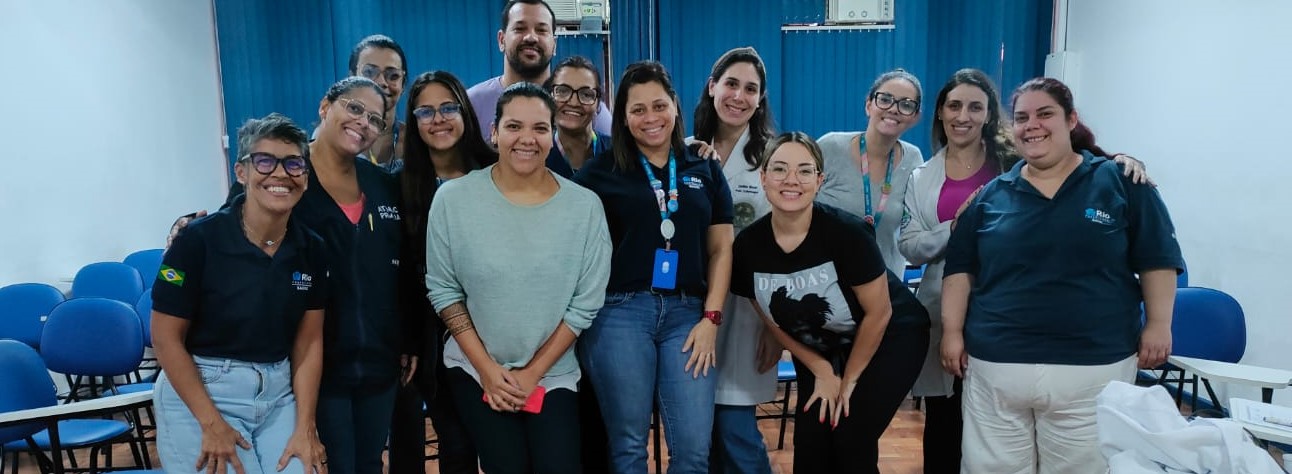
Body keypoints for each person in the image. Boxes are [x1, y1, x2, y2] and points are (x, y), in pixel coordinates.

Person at [900, 69, 1154, 473]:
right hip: (958, 315)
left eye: (975, 106)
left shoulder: (1016, 158)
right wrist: (955, 226)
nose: (963, 115)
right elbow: (910, 245)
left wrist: (1122, 160)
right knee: (950, 427)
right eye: (954, 105)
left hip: (1045, 330)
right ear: (940, 113)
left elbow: (1075, 162)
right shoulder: (922, 175)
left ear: (990, 116)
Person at [425, 82, 612, 473]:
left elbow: (585, 302)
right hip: (475, 369)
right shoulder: (453, 200)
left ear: (553, 135)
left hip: (553, 372)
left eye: (540, 129)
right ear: (494, 132)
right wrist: (489, 373)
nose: (526, 139)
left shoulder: (584, 208)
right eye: (514, 126)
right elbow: (444, 291)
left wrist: (532, 373)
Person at [731, 132, 929, 474]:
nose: (791, 180)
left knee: (850, 435)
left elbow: (879, 313)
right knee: (811, 446)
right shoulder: (748, 246)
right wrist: (821, 369)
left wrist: (848, 379)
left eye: (804, 171)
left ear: (819, 181)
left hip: (890, 337)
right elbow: (770, 317)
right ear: (763, 178)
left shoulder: (847, 234)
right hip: (825, 347)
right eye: (779, 169)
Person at [575, 60, 734, 474]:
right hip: (619, 312)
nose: (650, 118)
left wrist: (712, 318)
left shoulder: (704, 166)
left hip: (689, 316)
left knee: (694, 450)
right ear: (623, 118)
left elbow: (721, 250)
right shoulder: (599, 173)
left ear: (676, 107)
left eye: (659, 105)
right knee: (628, 447)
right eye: (638, 109)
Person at [151, 113, 328, 474]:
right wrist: (210, 422)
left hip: (277, 395)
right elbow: (165, 338)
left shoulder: (313, 248)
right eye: (265, 161)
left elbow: (308, 342)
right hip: (204, 388)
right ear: (242, 172)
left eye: (294, 164)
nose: (280, 173)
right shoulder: (198, 239)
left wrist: (305, 426)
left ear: (306, 177)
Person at [388, 70, 496, 474]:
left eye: (448, 107)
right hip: (434, 342)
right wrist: (409, 339)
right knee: (457, 445)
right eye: (426, 111)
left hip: (501, 331)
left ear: (465, 112)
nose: (439, 119)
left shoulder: (497, 173)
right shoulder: (398, 186)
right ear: (413, 122)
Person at [689, 46, 779, 474]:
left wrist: (775, 328)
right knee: (696, 433)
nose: (739, 96)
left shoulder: (771, 159)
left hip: (747, 312)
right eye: (731, 84)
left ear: (760, 100)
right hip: (688, 308)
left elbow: (785, 249)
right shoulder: (682, 151)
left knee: (736, 430)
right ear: (712, 87)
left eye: (750, 89)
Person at [818, 69, 925, 277]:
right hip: (827, 280)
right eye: (885, 99)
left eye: (906, 105)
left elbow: (915, 226)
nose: (894, 109)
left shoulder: (913, 159)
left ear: (915, 117)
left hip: (884, 285)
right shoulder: (829, 147)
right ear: (869, 105)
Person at [467, 0, 611, 141]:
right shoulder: (473, 104)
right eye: (520, 29)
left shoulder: (585, 108)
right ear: (501, 40)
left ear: (554, 45)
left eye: (541, 30)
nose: (531, 37)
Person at [543, 55, 611, 179]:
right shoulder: (538, 158)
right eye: (563, 91)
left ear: (597, 102)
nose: (574, 103)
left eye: (586, 94)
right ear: (550, 97)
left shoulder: (618, 155)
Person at [349, 34, 409, 167]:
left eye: (393, 76)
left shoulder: (417, 141)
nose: (381, 82)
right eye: (369, 72)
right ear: (352, 78)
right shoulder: (335, 135)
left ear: (403, 84)